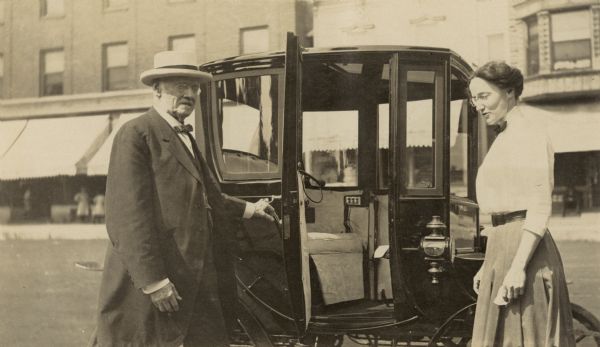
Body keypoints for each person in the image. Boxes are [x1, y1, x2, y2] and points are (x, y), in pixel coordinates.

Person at [90, 51, 274, 347]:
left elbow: (208, 197)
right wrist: (154, 282)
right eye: (180, 86)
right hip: (157, 285)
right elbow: (126, 217)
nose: (189, 94)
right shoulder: (136, 133)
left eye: (194, 87)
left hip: (198, 280)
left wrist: (251, 209)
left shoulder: (185, 137)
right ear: (157, 89)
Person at [469, 61, 575, 346]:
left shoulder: (530, 133)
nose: (478, 105)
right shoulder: (505, 137)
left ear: (509, 92)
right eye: (473, 98)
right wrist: (488, 263)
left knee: (529, 335)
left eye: (484, 96)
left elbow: (539, 205)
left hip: (525, 249)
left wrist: (517, 267)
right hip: (501, 247)